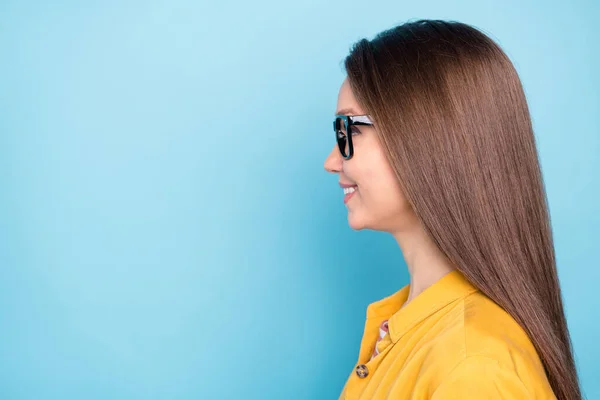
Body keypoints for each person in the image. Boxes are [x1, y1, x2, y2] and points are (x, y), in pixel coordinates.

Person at [324, 19, 581, 400]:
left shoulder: (474, 367)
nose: (332, 161)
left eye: (348, 130)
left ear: (423, 137)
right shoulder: (417, 332)